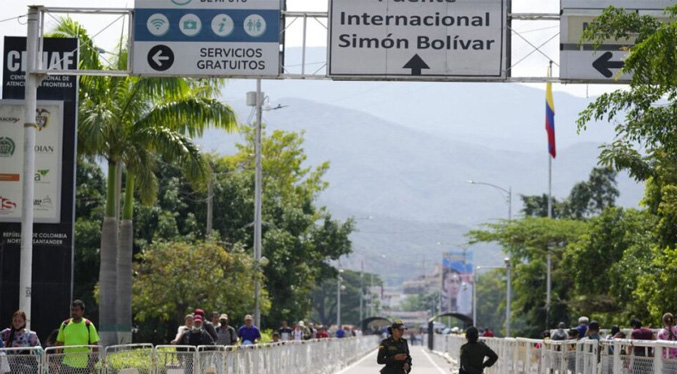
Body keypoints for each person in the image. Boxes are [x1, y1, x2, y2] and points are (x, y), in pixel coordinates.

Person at [55, 300, 100, 374]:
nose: (74, 312)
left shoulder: (88, 325)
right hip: (66, 364)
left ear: (82, 311)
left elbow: (95, 345)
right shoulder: (65, 324)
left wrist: (93, 361)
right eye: (72, 310)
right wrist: (56, 361)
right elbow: (59, 343)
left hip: (83, 365)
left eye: (77, 310)